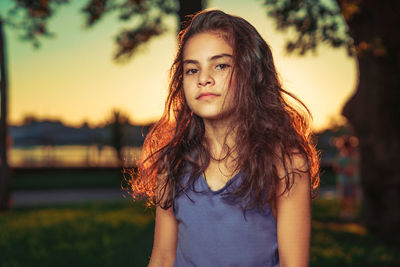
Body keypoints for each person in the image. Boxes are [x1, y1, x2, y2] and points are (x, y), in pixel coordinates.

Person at [128, 9, 319, 267]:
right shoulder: (172, 164)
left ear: (250, 73)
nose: (204, 79)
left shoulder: (285, 164)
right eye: (192, 70)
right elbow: (163, 257)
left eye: (220, 65)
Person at [333, 137, 359, 220]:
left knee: (353, 197)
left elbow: (358, 167)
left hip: (353, 180)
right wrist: (345, 170)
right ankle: (344, 213)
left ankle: (351, 213)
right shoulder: (341, 157)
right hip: (344, 181)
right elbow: (336, 168)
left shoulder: (355, 157)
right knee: (344, 197)